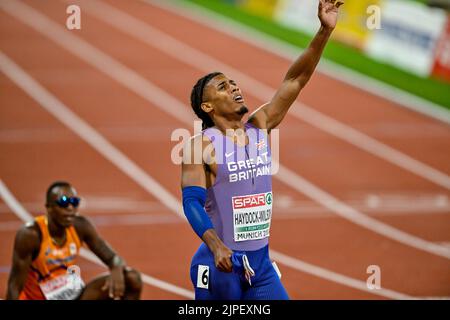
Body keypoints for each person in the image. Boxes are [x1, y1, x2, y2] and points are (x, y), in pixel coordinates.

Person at [181, 0, 344, 300]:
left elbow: (295, 79)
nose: (233, 87)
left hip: (261, 266)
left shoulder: (260, 126)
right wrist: (216, 245)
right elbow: (191, 202)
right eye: (222, 87)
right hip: (222, 265)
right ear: (208, 107)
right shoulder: (200, 146)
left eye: (232, 82)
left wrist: (323, 30)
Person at [6, 181, 142, 300]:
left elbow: (113, 257)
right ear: (49, 207)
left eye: (74, 202)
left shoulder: (80, 226)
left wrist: (116, 268)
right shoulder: (31, 235)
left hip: (72, 295)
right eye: (63, 202)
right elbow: (14, 285)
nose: (70, 208)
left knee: (131, 279)